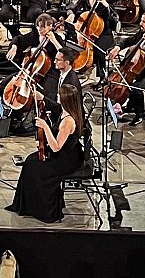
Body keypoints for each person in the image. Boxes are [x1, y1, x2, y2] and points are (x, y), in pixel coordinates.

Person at [6, 84, 88, 222]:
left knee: (34, 167)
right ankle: (24, 205)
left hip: (67, 160)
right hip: (66, 153)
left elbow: (56, 147)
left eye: (59, 95)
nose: (57, 96)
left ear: (64, 100)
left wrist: (45, 126)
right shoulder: (65, 112)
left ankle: (44, 211)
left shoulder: (68, 121)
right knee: (30, 161)